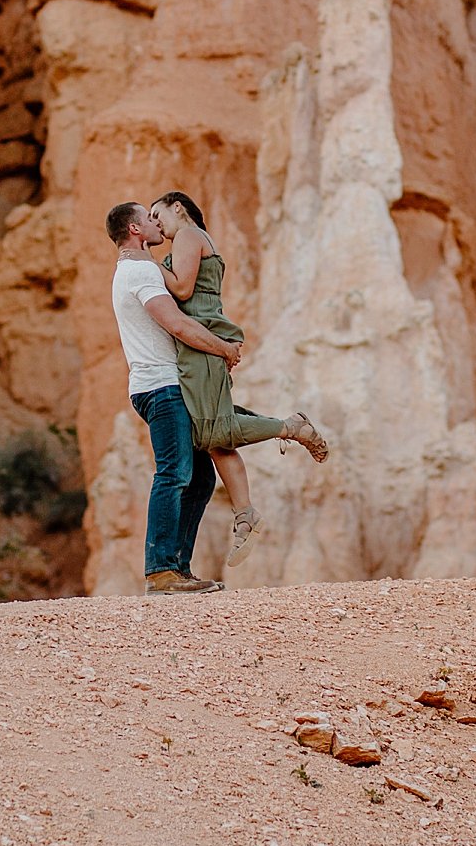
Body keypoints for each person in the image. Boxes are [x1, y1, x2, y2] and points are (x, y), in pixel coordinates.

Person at [149, 190, 328, 569]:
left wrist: (144, 263)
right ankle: (245, 514)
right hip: (201, 344)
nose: (156, 222)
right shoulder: (198, 239)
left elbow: (181, 288)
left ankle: (290, 427)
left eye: (157, 213)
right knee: (212, 433)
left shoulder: (187, 236)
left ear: (177, 207)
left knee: (215, 430)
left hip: (203, 344)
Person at [107, 200, 242, 595]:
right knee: (175, 472)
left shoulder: (134, 271)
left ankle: (178, 569)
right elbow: (177, 324)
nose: (155, 224)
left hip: (163, 385)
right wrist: (223, 348)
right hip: (161, 387)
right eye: (148, 219)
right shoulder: (141, 271)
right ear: (135, 229)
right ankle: (161, 570)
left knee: (199, 477)